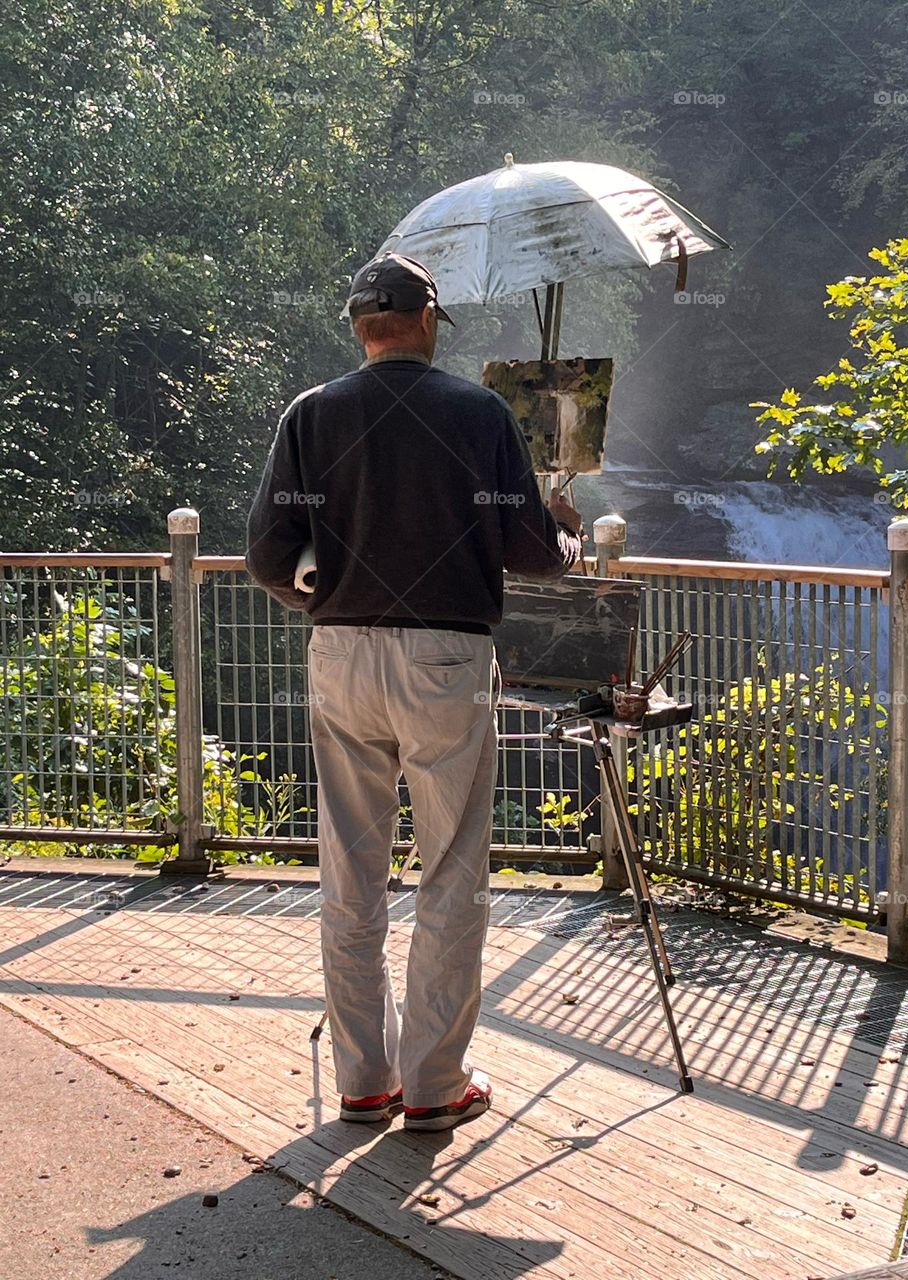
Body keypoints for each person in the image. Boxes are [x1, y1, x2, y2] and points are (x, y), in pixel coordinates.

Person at [246, 252, 582, 1131]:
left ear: (361, 325)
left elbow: (266, 557)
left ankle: (364, 1081)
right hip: (447, 660)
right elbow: (533, 553)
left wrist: (323, 596)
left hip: (340, 655)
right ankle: (435, 1086)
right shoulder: (479, 414)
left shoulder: (310, 415)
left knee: (351, 871)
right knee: (453, 872)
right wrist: (567, 534)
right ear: (428, 322)